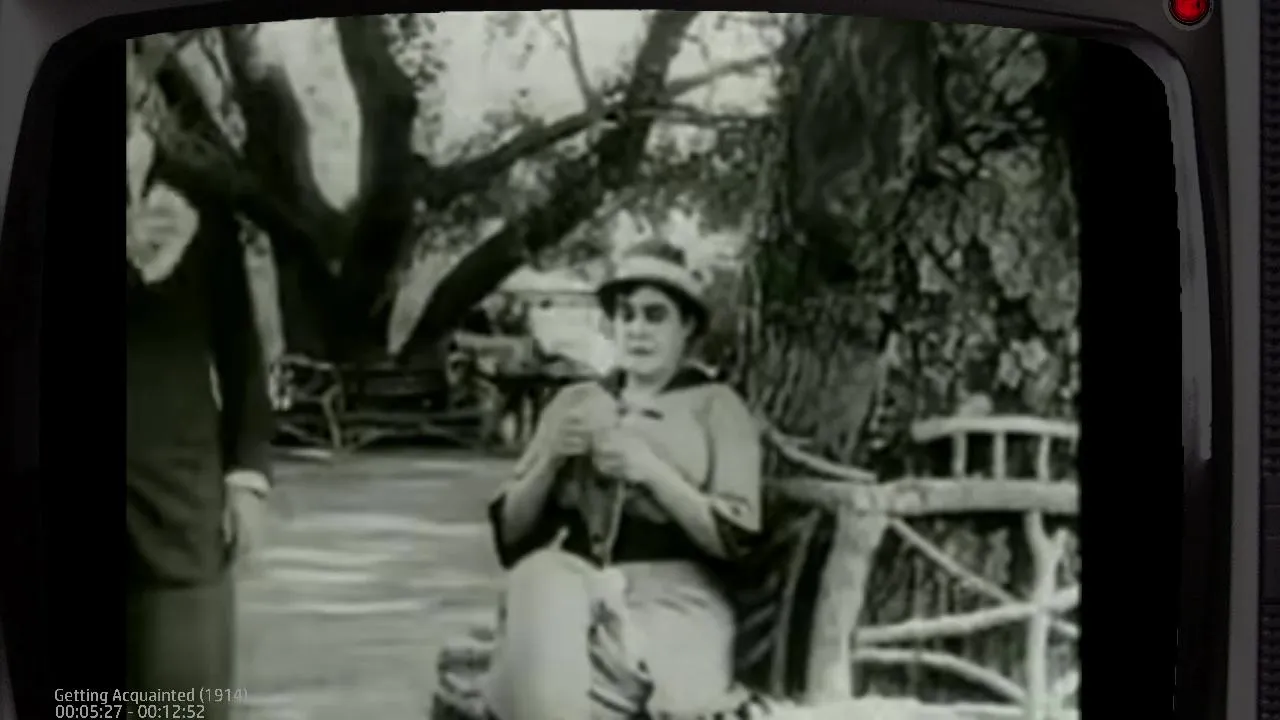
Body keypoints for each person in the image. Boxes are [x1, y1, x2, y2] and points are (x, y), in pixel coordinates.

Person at [481, 241, 763, 720]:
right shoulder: (574, 401)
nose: (637, 330)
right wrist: (550, 458)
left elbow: (736, 540)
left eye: (655, 315)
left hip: (674, 592)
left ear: (686, 326)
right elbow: (510, 537)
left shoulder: (717, 405)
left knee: (647, 687)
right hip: (572, 587)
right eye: (626, 315)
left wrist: (651, 471)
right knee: (538, 577)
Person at [126, 98, 272, 720]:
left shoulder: (200, 194)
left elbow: (240, 349)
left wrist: (246, 476)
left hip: (176, 512)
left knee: (181, 705)